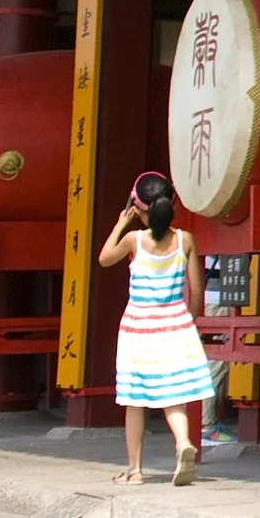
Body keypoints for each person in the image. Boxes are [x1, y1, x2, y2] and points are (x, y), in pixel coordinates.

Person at [96, 172, 215, 485]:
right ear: (172, 202)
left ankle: (135, 470)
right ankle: (183, 443)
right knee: (174, 394)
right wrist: (188, 321)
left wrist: (122, 222)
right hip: (175, 323)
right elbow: (197, 290)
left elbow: (104, 259)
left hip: (139, 326)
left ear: (139, 207)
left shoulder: (135, 240)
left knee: (135, 398)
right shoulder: (185, 240)